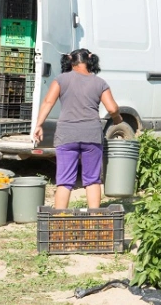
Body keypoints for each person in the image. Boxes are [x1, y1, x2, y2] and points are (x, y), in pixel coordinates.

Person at [33, 48, 122, 209]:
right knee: (92, 180)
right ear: (90, 59)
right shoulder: (99, 82)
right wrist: (117, 119)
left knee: (64, 181)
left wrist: (39, 125)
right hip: (91, 136)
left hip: (66, 135)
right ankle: (94, 219)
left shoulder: (61, 80)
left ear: (70, 60)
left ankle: (59, 221)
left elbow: (47, 102)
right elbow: (112, 109)